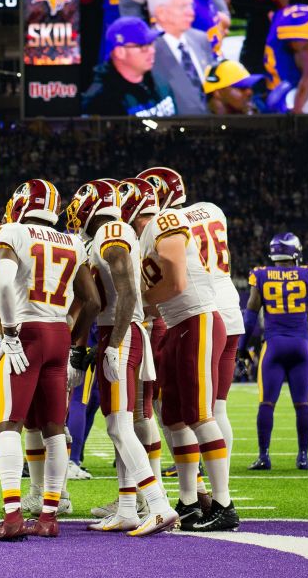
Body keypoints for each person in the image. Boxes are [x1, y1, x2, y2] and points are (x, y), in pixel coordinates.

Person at [0, 179, 100, 540]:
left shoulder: (12, 231)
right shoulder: (73, 241)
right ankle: (49, 516)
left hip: (27, 333)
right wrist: (69, 333)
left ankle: (14, 515)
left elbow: (3, 284)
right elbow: (93, 301)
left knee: (9, 425)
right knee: (53, 430)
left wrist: (11, 334)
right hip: (58, 334)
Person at [66, 180, 177, 535]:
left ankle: (158, 504)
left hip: (121, 332)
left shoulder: (111, 231)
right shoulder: (111, 233)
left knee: (119, 424)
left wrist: (113, 343)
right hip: (120, 330)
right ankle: (128, 507)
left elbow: (129, 288)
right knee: (120, 423)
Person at [135, 167, 237, 532]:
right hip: (179, 325)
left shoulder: (166, 220)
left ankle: (224, 505)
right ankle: (189, 501)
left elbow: (176, 282)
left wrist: (143, 299)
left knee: (200, 414)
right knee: (175, 417)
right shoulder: (148, 232)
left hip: (198, 320)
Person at [243, 233, 308, 472]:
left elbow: (249, 318)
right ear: (295, 253)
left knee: (266, 403)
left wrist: (241, 348)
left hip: (274, 346)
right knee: (302, 403)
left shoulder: (262, 275)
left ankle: (264, 456)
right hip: (300, 347)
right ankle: (303, 457)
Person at [174, 184, 243, 498]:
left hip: (202, 309)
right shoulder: (214, 209)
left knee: (197, 409)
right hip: (231, 309)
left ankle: (201, 488)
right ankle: (221, 487)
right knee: (219, 408)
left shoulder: (171, 220)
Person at [80, 17, 174, 117]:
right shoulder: (100, 100)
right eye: (142, 46)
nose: (152, 51)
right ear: (120, 52)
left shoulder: (159, 80)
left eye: (151, 44)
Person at [147, 0, 213, 115]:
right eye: (183, 7)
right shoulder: (147, 50)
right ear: (161, 13)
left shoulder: (201, 39)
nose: (191, 13)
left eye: (190, 5)